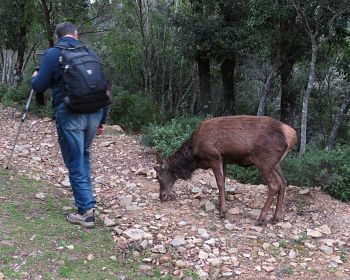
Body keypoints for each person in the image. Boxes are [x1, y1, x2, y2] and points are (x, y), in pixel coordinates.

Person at [31, 22, 108, 228]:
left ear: (58, 37)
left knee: (75, 160)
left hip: (71, 113)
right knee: (82, 155)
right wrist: (102, 120)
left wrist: (35, 77)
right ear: (76, 34)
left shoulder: (52, 54)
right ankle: (88, 202)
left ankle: (86, 212)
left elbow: (39, 85)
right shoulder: (90, 53)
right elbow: (104, 87)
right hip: (95, 112)